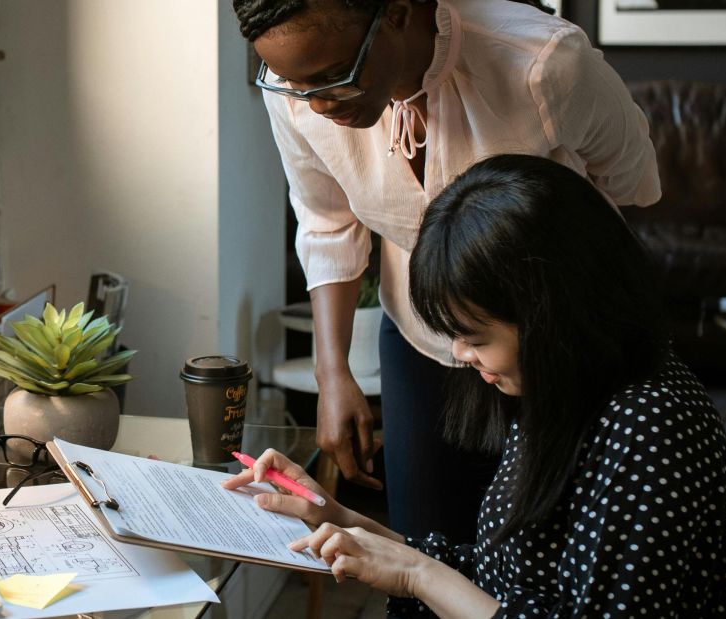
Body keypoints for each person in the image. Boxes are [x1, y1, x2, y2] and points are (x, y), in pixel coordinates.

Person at [225, 155, 726, 617]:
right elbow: (503, 578)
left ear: (554, 317)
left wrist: (415, 574)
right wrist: (334, 516)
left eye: (474, 336)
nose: (458, 353)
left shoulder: (648, 428)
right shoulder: (563, 390)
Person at [240, 0, 663, 545]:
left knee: (549, 552)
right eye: (295, 84)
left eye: (333, 77)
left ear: (395, 13)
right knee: (428, 541)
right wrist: (332, 374)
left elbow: (634, 181)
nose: (317, 104)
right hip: (420, 336)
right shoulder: (298, 85)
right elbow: (327, 224)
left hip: (559, 347)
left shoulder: (545, 63)